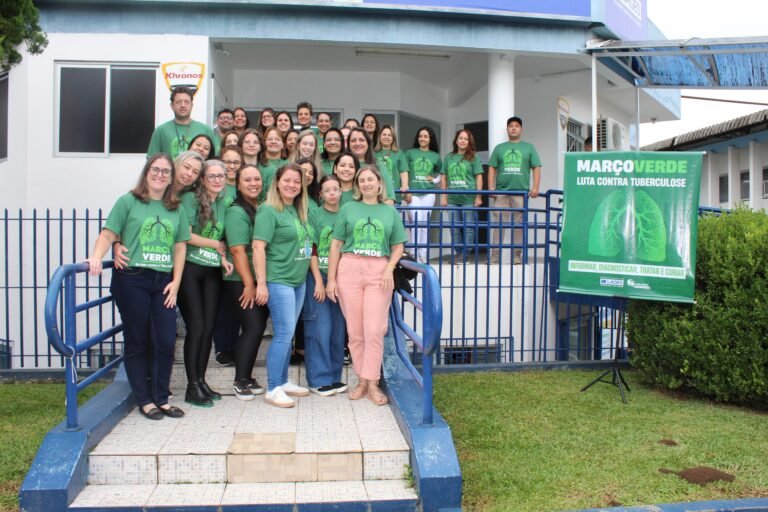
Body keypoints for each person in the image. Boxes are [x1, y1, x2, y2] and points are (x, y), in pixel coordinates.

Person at [85, 153, 189, 420]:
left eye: (166, 171)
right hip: (132, 278)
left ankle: (161, 398)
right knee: (138, 339)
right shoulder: (128, 201)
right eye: (156, 169)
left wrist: (176, 282)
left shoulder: (176, 207)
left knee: (165, 340)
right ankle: (145, 400)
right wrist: (97, 255)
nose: (160, 175)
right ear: (146, 172)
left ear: (171, 177)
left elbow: (180, 247)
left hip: (163, 280)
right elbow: (109, 233)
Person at [325, 165, 407, 406]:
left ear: (380, 183)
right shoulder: (348, 208)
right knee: (355, 331)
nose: (366, 183)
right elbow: (336, 244)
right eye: (362, 180)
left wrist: (389, 268)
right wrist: (331, 279)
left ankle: (373, 382)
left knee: (374, 328)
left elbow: (398, 246)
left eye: (371, 179)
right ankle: (362, 380)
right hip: (349, 269)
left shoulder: (390, 211)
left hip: (378, 271)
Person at [252, 163, 314, 408]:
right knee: (283, 334)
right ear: (277, 182)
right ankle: (272, 388)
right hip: (279, 280)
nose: (292, 185)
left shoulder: (297, 210)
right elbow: (258, 247)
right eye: (287, 180)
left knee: (287, 336)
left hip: (298, 281)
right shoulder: (268, 210)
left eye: (296, 182)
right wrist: (261, 283)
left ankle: (282, 380)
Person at [178, 159, 233, 407]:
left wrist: (223, 257)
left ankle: (201, 381)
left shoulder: (221, 202)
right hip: (190, 268)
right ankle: (191, 386)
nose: (218, 180)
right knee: (197, 327)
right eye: (212, 176)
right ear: (202, 179)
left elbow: (221, 237)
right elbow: (186, 235)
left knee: (208, 329)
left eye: (221, 176)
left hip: (212, 270)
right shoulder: (191, 199)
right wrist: (215, 245)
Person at [223, 164, 270, 400]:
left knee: (257, 327)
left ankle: (247, 377)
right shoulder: (236, 211)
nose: (253, 183)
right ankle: (240, 380)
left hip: (256, 277)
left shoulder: (258, 207)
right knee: (252, 327)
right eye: (248, 180)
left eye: (257, 179)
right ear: (238, 185)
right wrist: (249, 284)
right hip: (240, 280)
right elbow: (238, 250)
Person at [303, 174, 347, 396]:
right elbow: (311, 248)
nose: (331, 193)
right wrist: (319, 281)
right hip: (318, 276)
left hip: (342, 279)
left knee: (338, 331)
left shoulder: (347, 213)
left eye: (335, 189)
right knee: (321, 328)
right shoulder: (314, 215)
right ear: (320, 194)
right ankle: (318, 379)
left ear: (341, 191)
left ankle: (334, 377)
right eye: (327, 190)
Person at [487, 116, 541, 265]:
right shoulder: (500, 148)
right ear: (507, 129)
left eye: (517, 126)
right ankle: (495, 256)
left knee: (518, 226)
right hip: (501, 192)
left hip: (520, 192)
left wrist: (536, 187)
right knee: (498, 225)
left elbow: (536, 167)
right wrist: (491, 187)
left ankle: (516, 256)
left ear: (521, 129)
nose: (514, 128)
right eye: (511, 126)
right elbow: (492, 167)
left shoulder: (529, 147)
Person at [440, 129, 484, 259]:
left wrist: (479, 196)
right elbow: (443, 177)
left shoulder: (474, 158)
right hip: (452, 199)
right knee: (454, 228)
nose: (463, 141)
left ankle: (466, 252)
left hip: (468, 199)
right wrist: (443, 196)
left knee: (469, 227)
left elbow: (479, 178)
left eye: (466, 139)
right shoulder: (449, 157)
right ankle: (459, 252)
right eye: (460, 138)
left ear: (469, 142)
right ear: (456, 140)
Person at [404, 126, 442, 263]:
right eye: (420, 136)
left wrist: (435, 179)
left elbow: (441, 173)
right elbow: (404, 172)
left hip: (429, 193)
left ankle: (423, 253)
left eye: (426, 136)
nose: (423, 139)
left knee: (424, 223)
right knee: (416, 220)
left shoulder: (435, 156)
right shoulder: (410, 153)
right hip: (413, 192)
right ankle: (414, 252)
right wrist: (406, 191)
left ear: (430, 139)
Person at [146, 86, 215, 160]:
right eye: (178, 102)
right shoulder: (160, 131)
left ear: (191, 105)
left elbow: (213, 161)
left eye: (187, 102)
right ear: (172, 106)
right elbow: (151, 161)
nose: (183, 105)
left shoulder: (206, 130)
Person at [347, 128, 396, 206]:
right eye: (353, 140)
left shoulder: (379, 165)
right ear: (348, 144)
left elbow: (390, 199)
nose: (357, 143)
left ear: (368, 143)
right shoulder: (342, 166)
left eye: (361, 140)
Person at [374, 125, 409, 198]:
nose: (386, 137)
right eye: (384, 134)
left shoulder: (399, 153)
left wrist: (404, 186)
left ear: (393, 138)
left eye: (389, 135)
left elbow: (403, 171)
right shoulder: (373, 153)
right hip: (377, 195)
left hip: (394, 194)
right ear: (379, 137)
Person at [259, 126, 289, 201]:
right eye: (269, 139)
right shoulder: (258, 163)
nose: (273, 142)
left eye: (277, 139)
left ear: (283, 144)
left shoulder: (289, 164)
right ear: (264, 143)